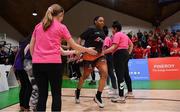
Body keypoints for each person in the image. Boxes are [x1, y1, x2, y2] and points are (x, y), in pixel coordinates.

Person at [30, 4, 97, 111]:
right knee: (56, 94)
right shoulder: (61, 27)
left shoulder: (38, 26)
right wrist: (87, 49)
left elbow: (31, 46)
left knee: (42, 95)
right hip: (54, 65)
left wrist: (36, 59)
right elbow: (74, 45)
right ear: (60, 14)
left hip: (37, 64)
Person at [75, 16, 108, 108]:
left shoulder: (103, 33)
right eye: (100, 20)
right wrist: (78, 50)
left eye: (103, 21)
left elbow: (101, 44)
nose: (102, 22)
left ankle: (98, 96)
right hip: (89, 57)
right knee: (85, 76)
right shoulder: (90, 29)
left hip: (99, 56)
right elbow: (80, 38)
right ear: (95, 21)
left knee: (104, 73)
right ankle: (77, 91)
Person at [103, 21, 133, 103]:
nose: (112, 30)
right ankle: (130, 92)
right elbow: (131, 45)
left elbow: (114, 47)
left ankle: (121, 96)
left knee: (120, 76)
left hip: (119, 55)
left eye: (112, 28)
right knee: (126, 73)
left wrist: (103, 52)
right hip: (125, 54)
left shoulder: (116, 35)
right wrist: (129, 53)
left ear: (115, 28)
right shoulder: (124, 35)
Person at [14, 39, 32, 111]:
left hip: (18, 67)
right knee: (29, 86)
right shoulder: (29, 45)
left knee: (23, 86)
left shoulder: (21, 46)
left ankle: (22, 106)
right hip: (24, 66)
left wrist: (14, 65)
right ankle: (26, 107)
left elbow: (17, 56)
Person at [103, 26, 118, 97]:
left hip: (108, 56)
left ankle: (114, 88)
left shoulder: (106, 38)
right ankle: (109, 86)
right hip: (109, 56)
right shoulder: (108, 38)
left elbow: (104, 48)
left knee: (111, 72)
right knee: (109, 72)